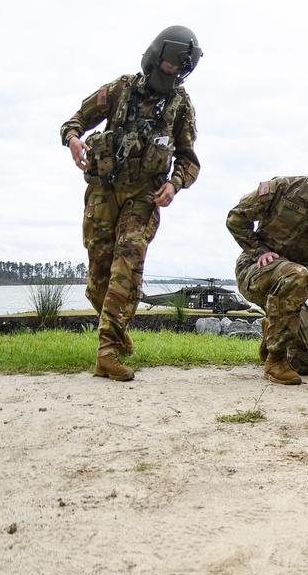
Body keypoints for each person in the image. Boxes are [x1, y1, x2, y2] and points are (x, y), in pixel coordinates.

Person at [60, 26, 203, 381]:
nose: (172, 75)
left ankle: (106, 352)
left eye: (178, 71)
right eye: (168, 67)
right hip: (103, 191)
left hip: (144, 196)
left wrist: (175, 183)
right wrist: (74, 140)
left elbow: (189, 159)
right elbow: (74, 121)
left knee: (129, 257)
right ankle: (120, 333)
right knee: (99, 280)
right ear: (156, 59)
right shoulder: (120, 89)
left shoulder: (181, 106)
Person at [227, 127, 308, 384]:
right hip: (255, 271)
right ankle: (275, 361)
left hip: (291, 287)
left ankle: (271, 335)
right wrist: (259, 251)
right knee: (297, 273)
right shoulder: (284, 188)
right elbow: (236, 217)